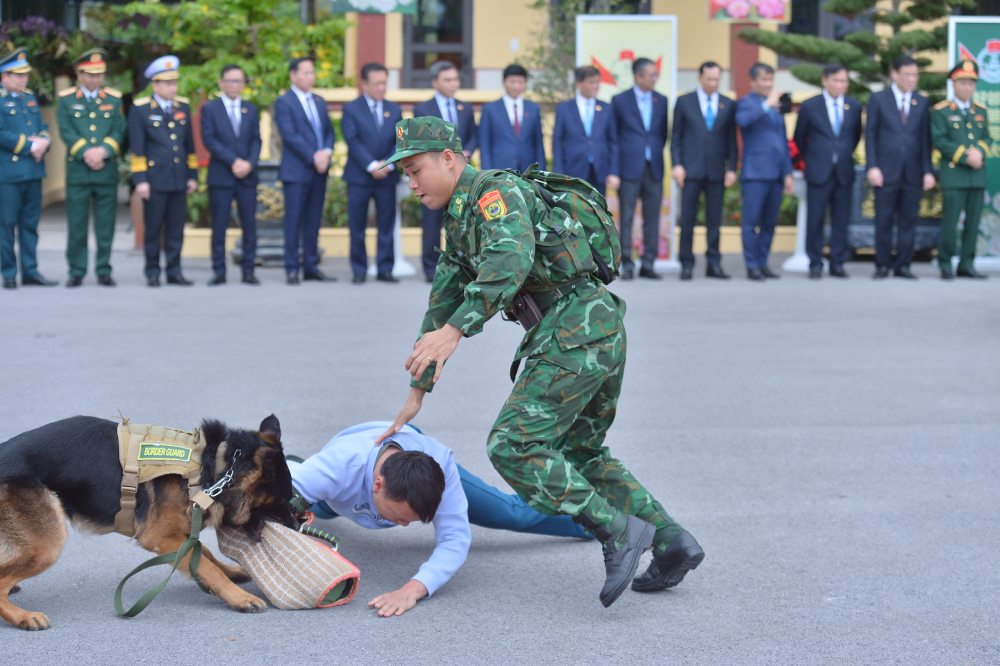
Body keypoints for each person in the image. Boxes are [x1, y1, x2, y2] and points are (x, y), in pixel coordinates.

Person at [374, 117, 704, 609]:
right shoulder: (460, 221)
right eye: (405, 174)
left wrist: (457, 330)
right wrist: (417, 390)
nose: (412, 182)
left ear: (449, 158)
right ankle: (672, 542)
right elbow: (441, 304)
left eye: (417, 168)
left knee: (513, 444)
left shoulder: (495, 194)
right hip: (590, 328)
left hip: (575, 327)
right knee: (582, 452)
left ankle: (617, 532)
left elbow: (511, 260)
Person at [287, 421, 590, 617]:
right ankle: (290, 463)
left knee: (511, 513)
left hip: (418, 462)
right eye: (401, 517)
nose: (403, 526)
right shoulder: (336, 468)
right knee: (313, 508)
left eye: (414, 521)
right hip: (338, 490)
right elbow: (275, 501)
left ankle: (598, 520)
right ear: (377, 486)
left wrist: (414, 588)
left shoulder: (441, 471)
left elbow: (455, 539)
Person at [57, 49, 125, 288]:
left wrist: (103, 151)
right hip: (79, 170)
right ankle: (76, 270)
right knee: (77, 225)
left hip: (105, 170)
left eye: (99, 74)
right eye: (90, 74)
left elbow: (119, 130)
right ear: (79, 74)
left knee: (105, 225)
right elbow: (65, 130)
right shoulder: (66, 99)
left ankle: (104, 269)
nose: (95, 79)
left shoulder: (114, 99)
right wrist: (86, 151)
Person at [128, 54, 197, 287]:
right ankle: (152, 271)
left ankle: (175, 270)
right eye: (167, 83)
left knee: (176, 229)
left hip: (178, 178)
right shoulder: (141, 109)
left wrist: (192, 175)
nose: (172, 87)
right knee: (154, 228)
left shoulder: (183, 107)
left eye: (174, 83)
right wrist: (141, 180)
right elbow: (137, 148)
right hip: (155, 179)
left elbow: (190, 146)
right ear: (155, 85)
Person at [865, 55, 936, 280]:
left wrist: (927, 170)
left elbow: (925, 140)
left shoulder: (922, 102)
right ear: (895, 74)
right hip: (885, 171)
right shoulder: (878, 99)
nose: (912, 79)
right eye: (908, 74)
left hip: (913, 172)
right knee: (883, 220)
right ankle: (882, 265)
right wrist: (872, 166)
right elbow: (871, 135)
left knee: (908, 221)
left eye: (915, 75)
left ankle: (903, 265)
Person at [792, 64, 863, 279]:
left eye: (844, 81)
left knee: (841, 218)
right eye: (836, 80)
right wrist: (815, 157)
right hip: (818, 170)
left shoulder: (854, 105)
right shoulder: (810, 106)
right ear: (825, 80)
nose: (840, 85)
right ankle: (815, 262)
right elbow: (799, 138)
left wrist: (841, 153)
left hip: (843, 170)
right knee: (815, 218)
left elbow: (856, 135)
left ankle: (838, 262)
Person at [670, 60, 737, 280]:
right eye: (709, 79)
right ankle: (686, 263)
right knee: (688, 218)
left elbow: (731, 140)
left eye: (717, 79)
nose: (713, 83)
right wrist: (677, 164)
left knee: (714, 220)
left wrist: (731, 168)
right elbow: (676, 137)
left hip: (717, 170)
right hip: (690, 170)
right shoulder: (684, 101)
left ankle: (714, 263)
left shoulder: (727, 103)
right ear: (700, 78)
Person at [413, 61, 478, 283]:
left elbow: (471, 135)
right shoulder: (423, 109)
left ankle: (462, 264)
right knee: (431, 220)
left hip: (459, 175)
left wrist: (467, 151)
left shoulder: (465, 107)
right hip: (435, 174)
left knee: (462, 218)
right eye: (447, 80)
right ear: (435, 82)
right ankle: (430, 267)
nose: (453, 84)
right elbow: (421, 140)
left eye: (455, 79)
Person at [274, 57, 337, 285]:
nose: (311, 77)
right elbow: (290, 136)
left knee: (313, 220)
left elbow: (329, 131)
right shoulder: (284, 102)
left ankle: (311, 265)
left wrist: (327, 151)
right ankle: (292, 267)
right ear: (293, 75)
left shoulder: (319, 101)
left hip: (319, 170)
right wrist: (314, 156)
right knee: (294, 220)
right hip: (297, 170)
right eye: (306, 73)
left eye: (312, 73)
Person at [200, 64, 262, 286]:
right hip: (222, 175)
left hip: (247, 176)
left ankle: (248, 270)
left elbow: (257, 140)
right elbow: (210, 140)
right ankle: (219, 271)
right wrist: (233, 161)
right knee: (219, 225)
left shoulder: (251, 109)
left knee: (249, 225)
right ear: (221, 83)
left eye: (239, 81)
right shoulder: (210, 109)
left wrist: (249, 163)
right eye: (231, 80)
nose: (235, 85)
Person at [341, 62, 402, 284]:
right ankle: (359, 269)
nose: (381, 88)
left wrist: (388, 164)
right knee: (357, 225)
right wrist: (371, 165)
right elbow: (352, 140)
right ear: (364, 84)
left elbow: (400, 141)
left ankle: (385, 268)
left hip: (387, 176)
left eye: (384, 83)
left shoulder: (394, 109)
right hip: (359, 176)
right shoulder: (351, 109)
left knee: (386, 224)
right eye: (377, 84)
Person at [931, 60, 993, 280]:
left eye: (971, 83)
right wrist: (966, 156)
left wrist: (979, 152)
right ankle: (945, 263)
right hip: (954, 175)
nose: (967, 87)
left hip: (976, 176)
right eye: (963, 83)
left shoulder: (980, 111)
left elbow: (987, 137)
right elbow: (939, 140)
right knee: (950, 221)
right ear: (954, 84)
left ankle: (967, 263)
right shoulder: (942, 111)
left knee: (973, 222)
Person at [0, 48, 56, 289]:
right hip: (9, 174)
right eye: (17, 75)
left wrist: (44, 140)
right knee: (7, 225)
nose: (23, 79)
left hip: (33, 171)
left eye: (24, 75)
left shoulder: (29, 97)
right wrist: (28, 146)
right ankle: (9, 273)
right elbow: (2, 133)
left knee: (30, 225)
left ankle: (30, 271)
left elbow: (41, 125)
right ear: (4, 76)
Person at [611, 57, 669, 280]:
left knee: (652, 217)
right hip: (628, 167)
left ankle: (648, 263)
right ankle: (627, 262)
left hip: (653, 166)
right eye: (651, 74)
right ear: (638, 76)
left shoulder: (661, 100)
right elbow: (614, 137)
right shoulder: (620, 100)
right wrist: (615, 169)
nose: (655, 78)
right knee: (626, 217)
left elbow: (663, 134)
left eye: (656, 74)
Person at [736, 63, 794, 281]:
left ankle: (763, 262)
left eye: (770, 80)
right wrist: (767, 105)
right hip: (755, 173)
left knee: (769, 223)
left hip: (776, 173)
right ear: (753, 82)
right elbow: (743, 121)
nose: (768, 84)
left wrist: (787, 172)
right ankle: (751, 265)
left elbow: (781, 141)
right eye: (763, 80)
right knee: (751, 223)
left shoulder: (776, 108)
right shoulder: (746, 103)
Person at [552, 65, 619, 198]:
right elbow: (557, 141)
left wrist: (614, 171)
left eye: (597, 82)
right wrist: (558, 174)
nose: (596, 86)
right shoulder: (564, 109)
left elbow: (613, 142)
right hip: (572, 172)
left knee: (598, 214)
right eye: (591, 82)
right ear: (579, 83)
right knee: (574, 214)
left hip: (599, 171)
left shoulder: (606, 108)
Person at [478, 64, 545, 171]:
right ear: (504, 82)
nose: (516, 86)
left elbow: (538, 144)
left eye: (520, 82)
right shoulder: (490, 109)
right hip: (499, 170)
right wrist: (487, 172)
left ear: (525, 83)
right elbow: (484, 144)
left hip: (528, 171)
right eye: (512, 82)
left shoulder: (533, 108)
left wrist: (540, 171)